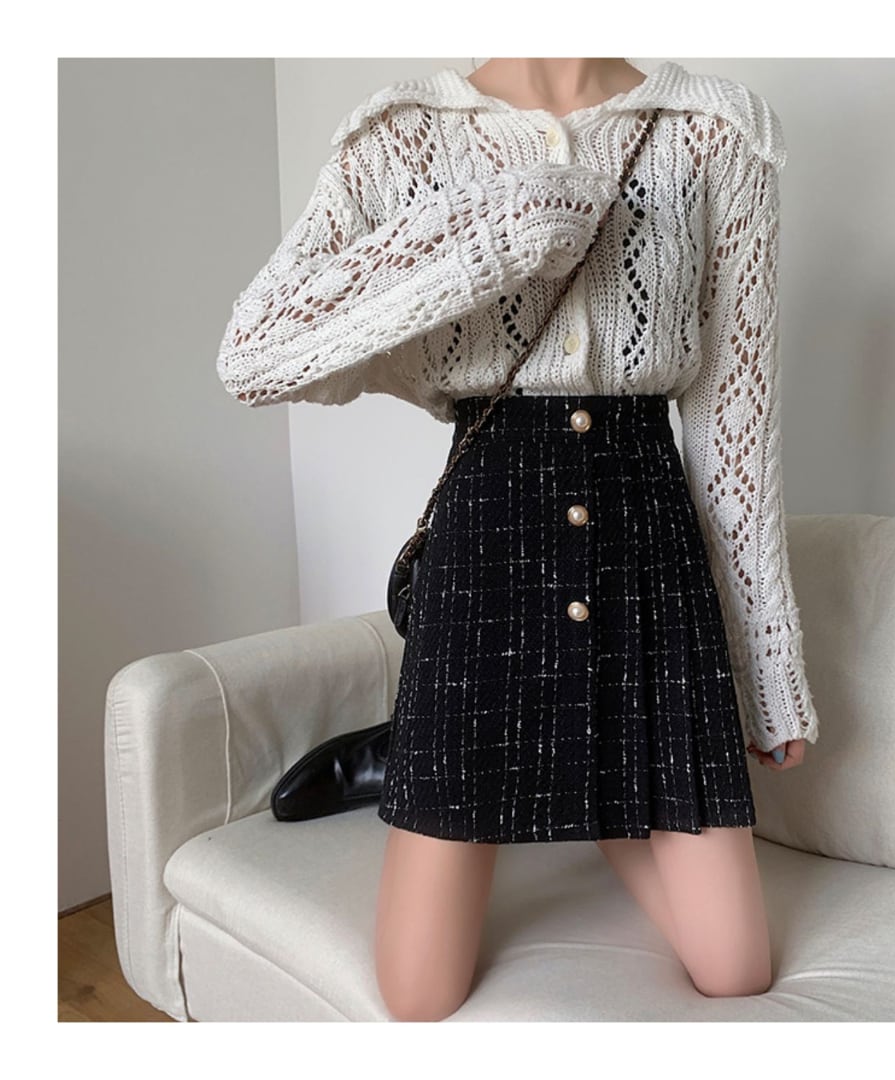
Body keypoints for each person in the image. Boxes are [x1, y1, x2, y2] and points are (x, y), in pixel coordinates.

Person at [215, 57, 820, 1022]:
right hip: (487, 533)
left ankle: (585, 776)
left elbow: (734, 429)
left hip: (648, 533)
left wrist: (768, 664)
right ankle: (407, 744)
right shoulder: (401, 137)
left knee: (735, 968)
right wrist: (489, 236)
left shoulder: (716, 134)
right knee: (419, 994)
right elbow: (256, 352)